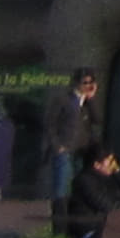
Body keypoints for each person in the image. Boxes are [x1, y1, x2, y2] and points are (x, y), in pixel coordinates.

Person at [40, 71, 103, 212]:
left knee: (78, 185)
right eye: (85, 83)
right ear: (77, 83)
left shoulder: (87, 103)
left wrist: (91, 99)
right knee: (61, 186)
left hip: (80, 150)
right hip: (65, 148)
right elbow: (50, 123)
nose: (88, 86)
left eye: (90, 83)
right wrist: (57, 145)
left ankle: (72, 215)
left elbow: (98, 119)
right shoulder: (64, 99)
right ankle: (59, 220)